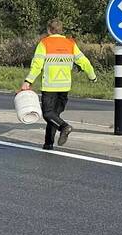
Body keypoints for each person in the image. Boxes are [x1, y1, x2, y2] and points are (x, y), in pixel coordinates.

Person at [20, 19, 97, 150]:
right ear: (61, 30)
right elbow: (84, 62)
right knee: (54, 115)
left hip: (50, 86)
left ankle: (64, 127)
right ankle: (48, 144)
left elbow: (37, 65)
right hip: (65, 87)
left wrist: (28, 81)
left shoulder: (44, 43)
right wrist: (92, 76)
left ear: (49, 30)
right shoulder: (70, 43)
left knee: (48, 114)